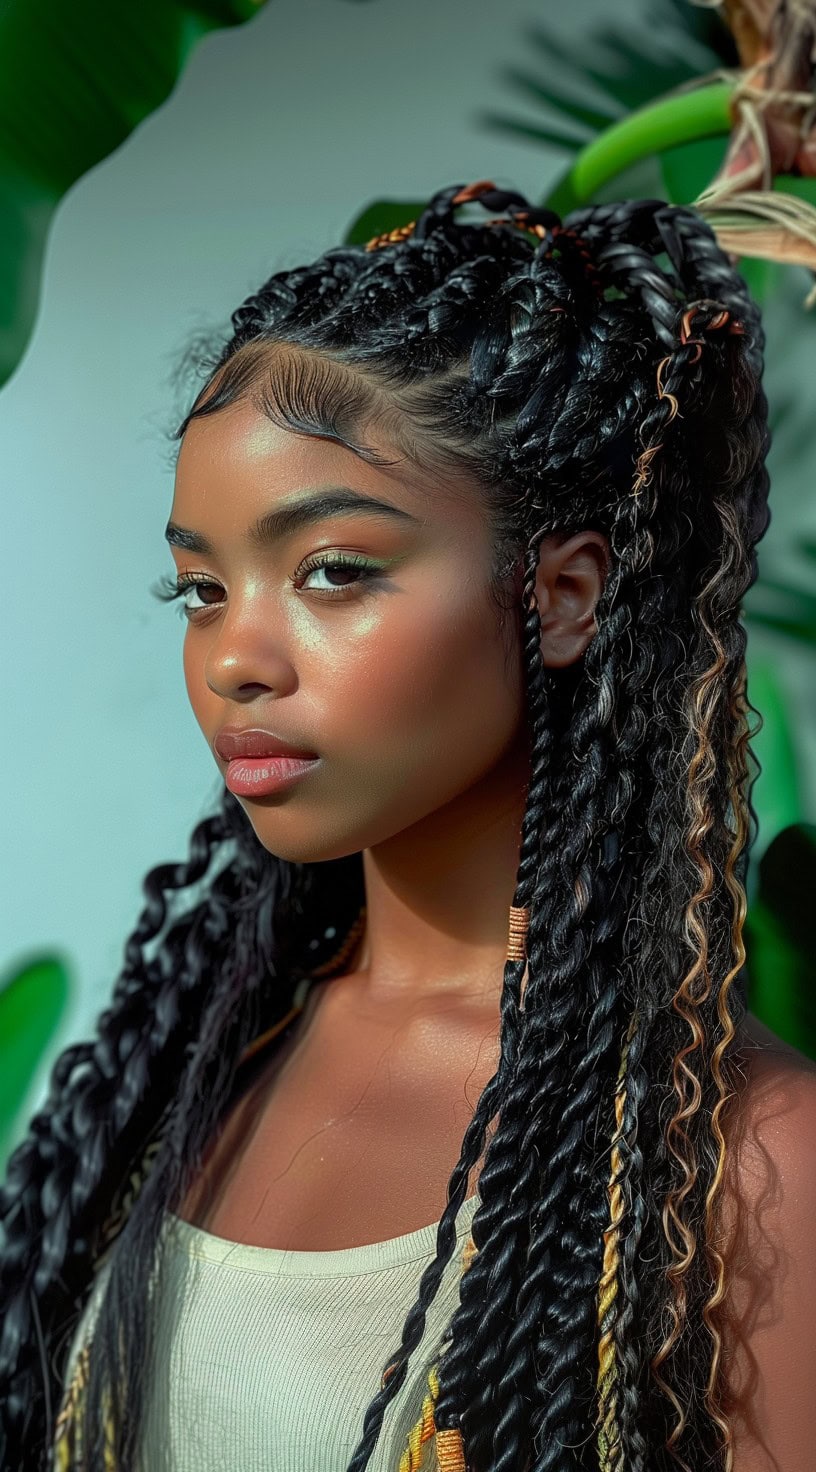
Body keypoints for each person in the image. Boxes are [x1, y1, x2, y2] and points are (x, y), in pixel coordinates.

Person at [1, 177, 814, 1472]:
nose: (236, 658)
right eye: (201, 588)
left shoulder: (746, 1164)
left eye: (333, 571)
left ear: (561, 596)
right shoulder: (211, 1053)